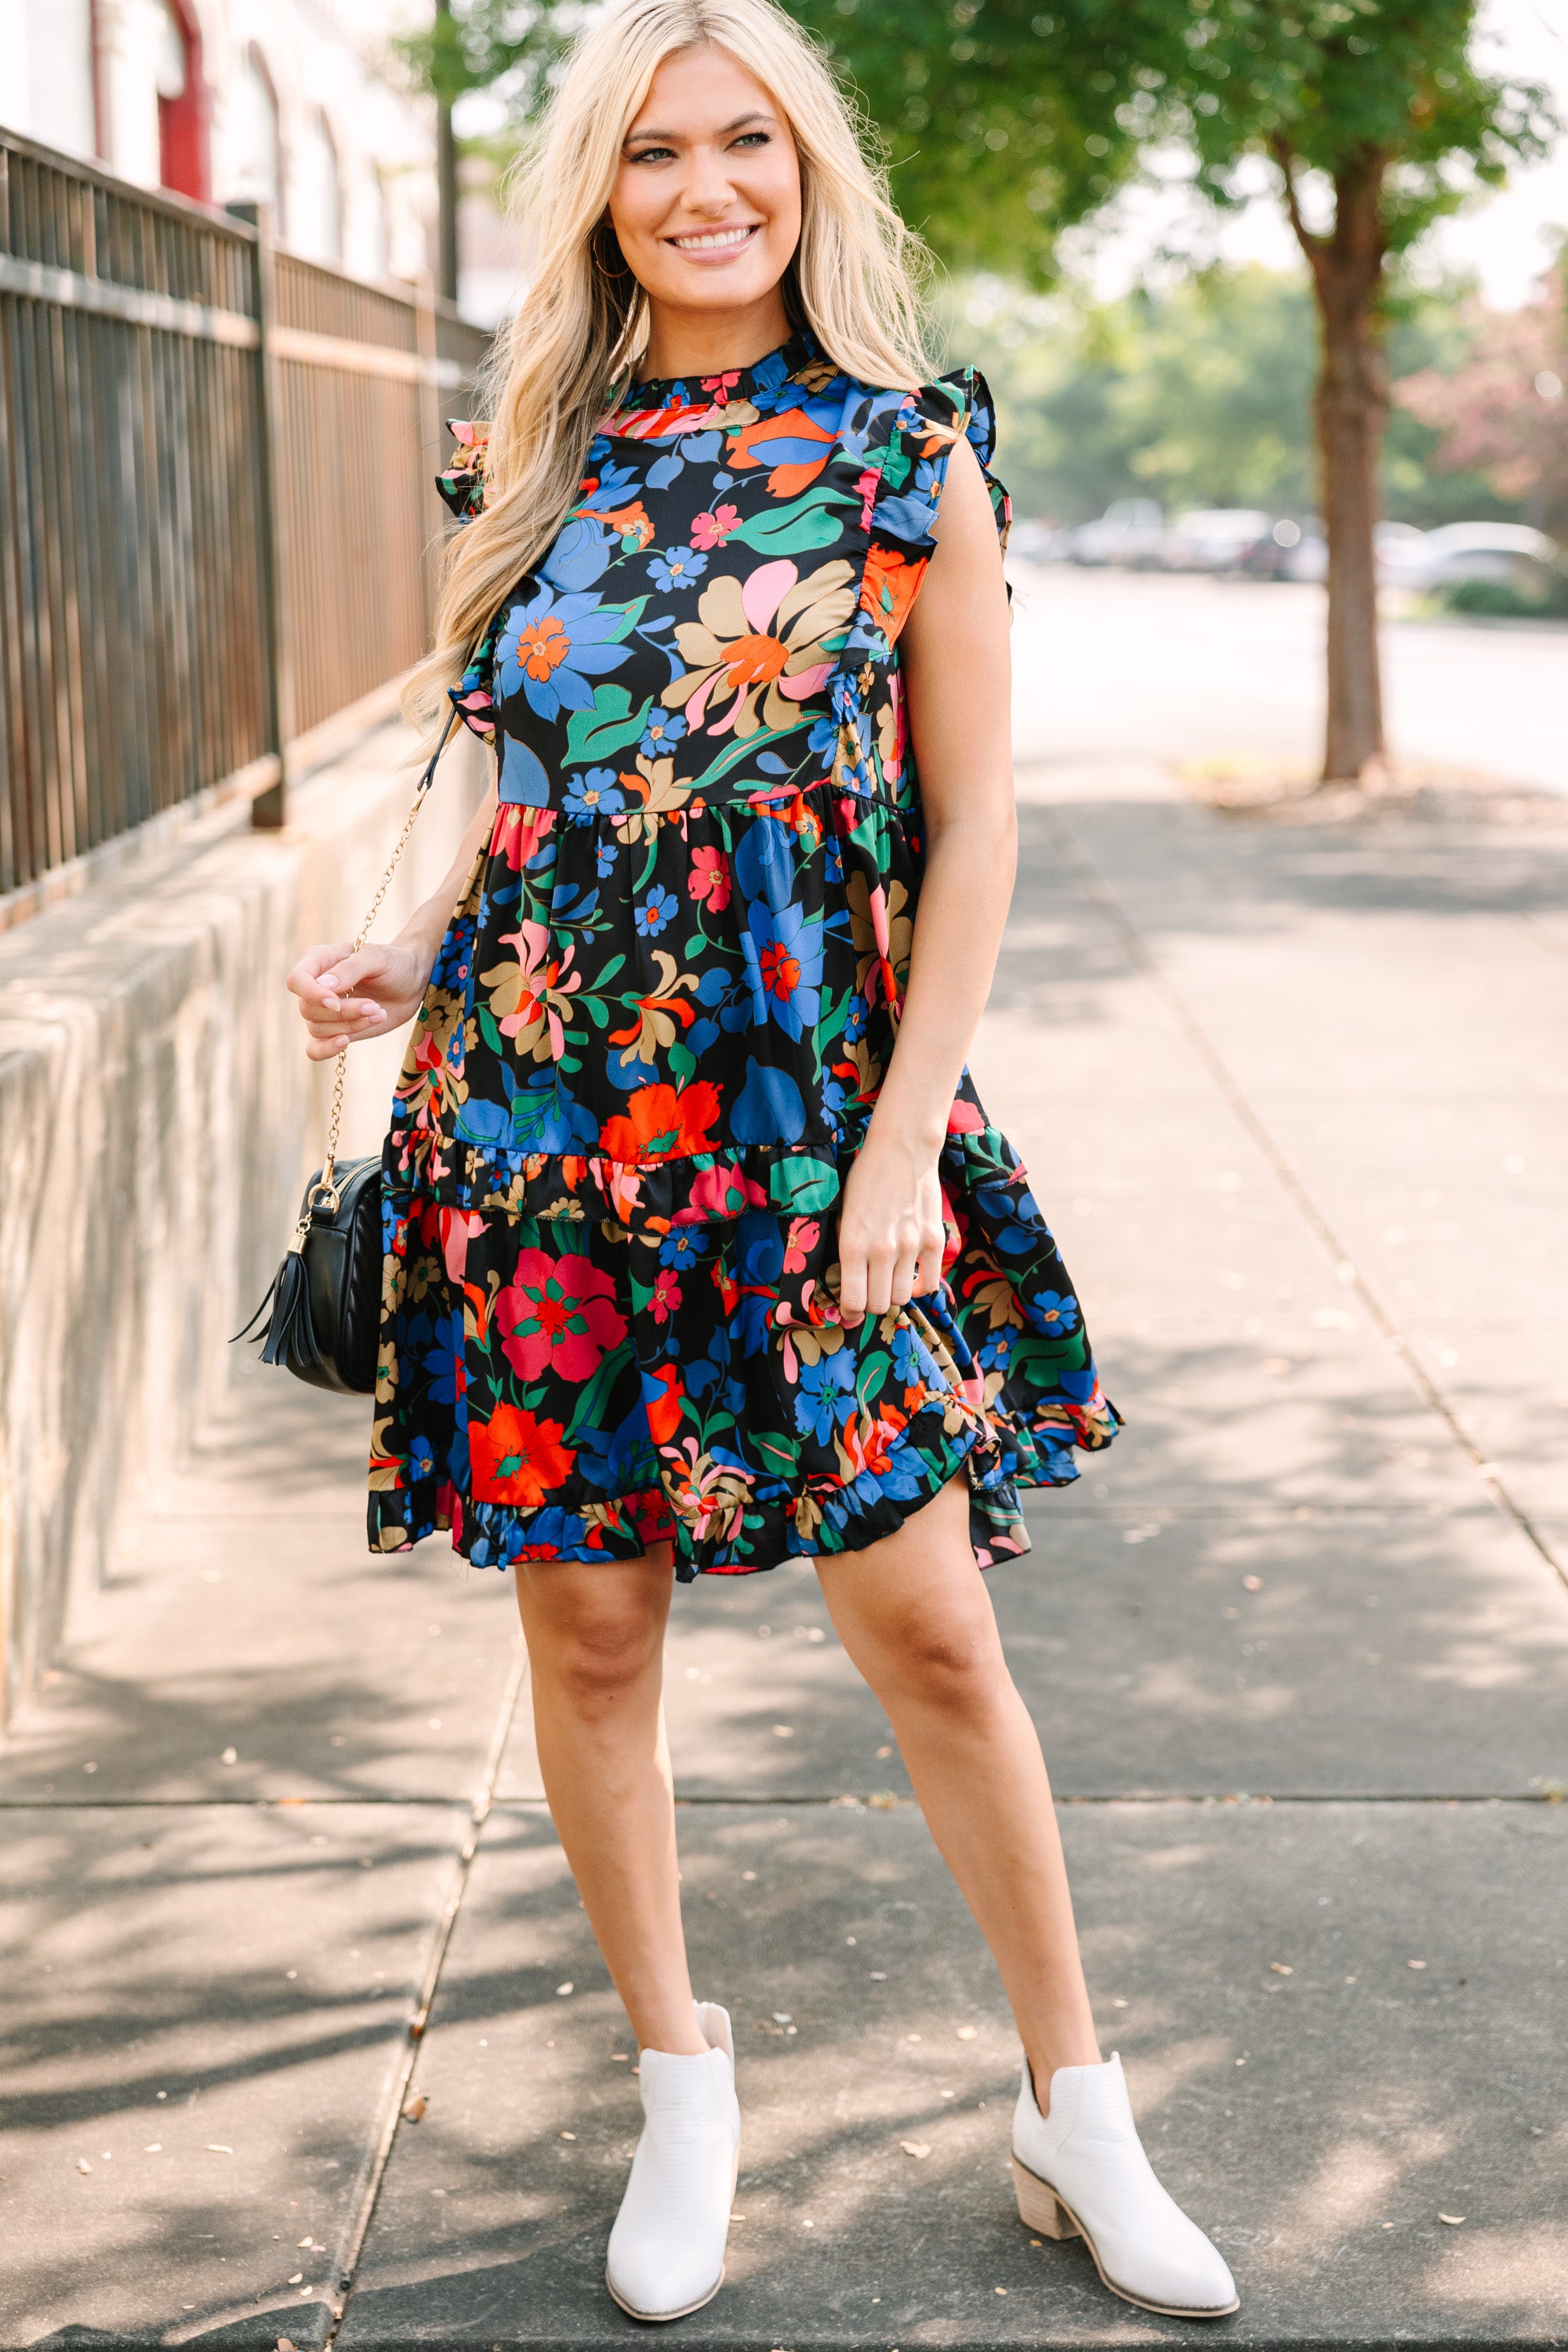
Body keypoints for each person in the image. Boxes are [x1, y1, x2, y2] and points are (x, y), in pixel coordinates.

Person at [286, 0, 1237, 2323]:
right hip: (534, 1106)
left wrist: (906, 1134)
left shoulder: (915, 461)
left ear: (807, 171)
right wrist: (409, 939)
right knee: (592, 1630)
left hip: (815, 1112)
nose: (706, 187)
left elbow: (980, 818)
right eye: (652, 154)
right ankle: (680, 2082)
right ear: (600, 193)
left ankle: (1073, 2106)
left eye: (745, 144)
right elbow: (501, 765)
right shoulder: (536, 447)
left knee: (927, 1622)